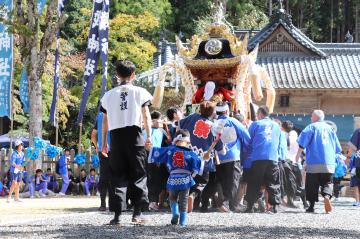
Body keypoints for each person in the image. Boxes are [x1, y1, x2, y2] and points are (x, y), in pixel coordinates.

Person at [100, 60, 153, 225]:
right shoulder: (140, 92)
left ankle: (116, 216)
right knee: (138, 174)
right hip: (135, 135)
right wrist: (149, 135)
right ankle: (137, 214)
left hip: (115, 137)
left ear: (117, 75)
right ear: (133, 75)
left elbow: (104, 121)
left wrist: (104, 142)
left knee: (117, 176)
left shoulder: (107, 95)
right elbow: (145, 114)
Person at [178, 101, 225, 213]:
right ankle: (193, 195)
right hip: (204, 159)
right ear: (212, 112)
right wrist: (222, 149)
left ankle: (185, 202)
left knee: (188, 178)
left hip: (188, 154)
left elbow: (179, 125)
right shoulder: (213, 126)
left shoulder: (192, 117)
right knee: (203, 181)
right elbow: (220, 147)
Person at [148, 129, 202, 226]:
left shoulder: (169, 149)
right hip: (186, 179)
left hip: (173, 178)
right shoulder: (190, 153)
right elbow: (198, 164)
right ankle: (182, 222)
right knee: (183, 200)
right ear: (188, 141)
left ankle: (175, 213)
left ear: (176, 139)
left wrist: (150, 148)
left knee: (172, 198)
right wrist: (204, 159)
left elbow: (157, 152)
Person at [295, 110, 342, 213]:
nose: (311, 118)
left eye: (311, 116)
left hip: (314, 161)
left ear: (315, 117)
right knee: (327, 182)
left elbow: (302, 143)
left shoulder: (311, 127)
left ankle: (311, 206)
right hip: (329, 162)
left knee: (312, 184)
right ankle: (326, 196)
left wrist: (297, 156)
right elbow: (338, 148)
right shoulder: (330, 129)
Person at [244, 106, 282, 213]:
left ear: (260, 113)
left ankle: (250, 206)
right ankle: (275, 207)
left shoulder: (256, 124)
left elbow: (248, 140)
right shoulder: (276, 125)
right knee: (273, 182)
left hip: (258, 157)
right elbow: (278, 142)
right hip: (273, 157)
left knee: (254, 182)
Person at [214, 102, 250, 212]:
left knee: (221, 181)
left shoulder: (214, 123)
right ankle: (228, 204)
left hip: (218, 157)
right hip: (233, 156)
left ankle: (222, 203)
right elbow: (246, 136)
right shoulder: (233, 121)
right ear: (226, 111)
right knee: (233, 181)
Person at [145, 111, 170, 211]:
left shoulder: (147, 129)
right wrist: (166, 127)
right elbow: (168, 140)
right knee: (155, 181)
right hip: (156, 158)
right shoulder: (160, 130)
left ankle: (151, 202)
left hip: (148, 157)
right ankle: (153, 202)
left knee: (150, 180)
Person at [91, 109, 111, 211]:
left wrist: (97, 146)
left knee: (104, 176)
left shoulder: (99, 117)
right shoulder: (116, 114)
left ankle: (103, 204)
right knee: (116, 176)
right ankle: (115, 203)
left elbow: (93, 135)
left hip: (102, 150)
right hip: (115, 150)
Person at [348, 127, 360, 206]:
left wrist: (348, 157)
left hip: (359, 161)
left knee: (356, 182)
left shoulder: (358, 131)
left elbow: (352, 146)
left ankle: (357, 201)